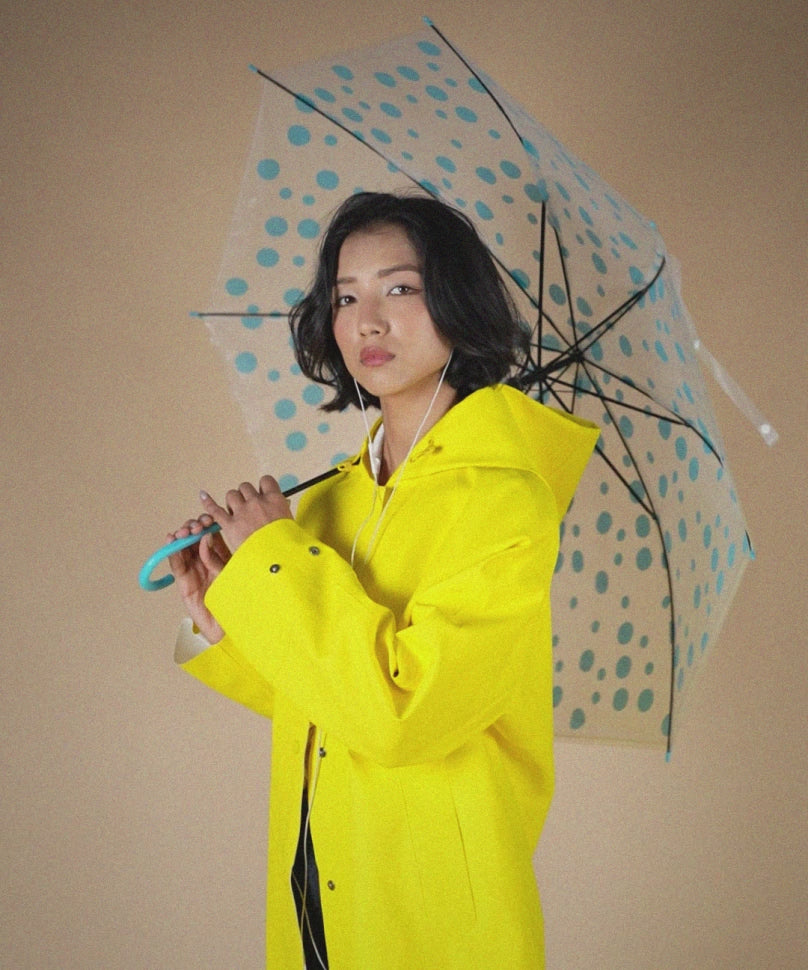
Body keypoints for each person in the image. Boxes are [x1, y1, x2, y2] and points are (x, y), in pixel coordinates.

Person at [167, 192, 599, 969]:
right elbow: (325, 704)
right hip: (321, 885)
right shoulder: (331, 499)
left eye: (400, 288)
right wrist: (224, 612)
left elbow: (403, 714)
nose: (367, 321)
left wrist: (276, 562)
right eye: (344, 297)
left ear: (457, 302)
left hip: (437, 917)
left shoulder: (504, 502)